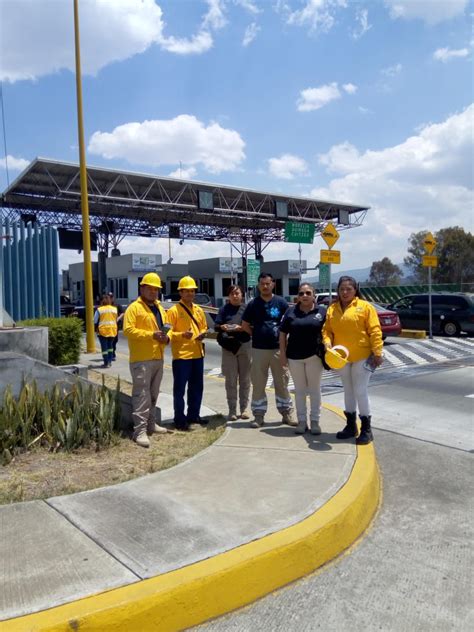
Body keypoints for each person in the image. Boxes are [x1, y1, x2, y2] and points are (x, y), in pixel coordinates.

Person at [322, 276, 383, 445]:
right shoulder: (332, 309)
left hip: (362, 357)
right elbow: (326, 330)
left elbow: (375, 331)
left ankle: (366, 429)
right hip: (341, 358)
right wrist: (327, 343)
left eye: (349, 289)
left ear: (355, 290)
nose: (345, 292)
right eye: (342, 289)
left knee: (360, 390)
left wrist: (378, 352)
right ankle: (350, 426)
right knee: (348, 390)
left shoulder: (365, 307)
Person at [241, 272, 296, 428]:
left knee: (282, 383)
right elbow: (245, 325)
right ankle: (258, 416)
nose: (265, 286)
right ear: (258, 285)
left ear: (273, 284)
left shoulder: (281, 303)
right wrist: (257, 335)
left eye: (268, 283)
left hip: (278, 349)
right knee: (258, 384)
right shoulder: (253, 304)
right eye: (262, 284)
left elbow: (288, 325)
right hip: (258, 350)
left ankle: (287, 414)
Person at [123, 272, 170, 448]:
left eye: (155, 289)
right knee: (141, 395)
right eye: (149, 288)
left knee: (153, 394)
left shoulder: (159, 307)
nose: (153, 292)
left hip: (158, 357)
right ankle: (140, 431)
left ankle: (151, 424)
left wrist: (167, 338)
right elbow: (128, 330)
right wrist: (151, 335)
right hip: (141, 359)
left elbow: (166, 329)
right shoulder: (134, 308)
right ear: (141, 288)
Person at [279, 283, 327, 435]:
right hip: (294, 357)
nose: (304, 296)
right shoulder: (291, 311)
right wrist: (282, 354)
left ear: (314, 295)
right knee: (299, 391)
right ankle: (301, 421)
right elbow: (282, 334)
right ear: (297, 297)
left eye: (308, 293)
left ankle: (315, 421)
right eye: (301, 293)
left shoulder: (322, 311)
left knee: (314, 390)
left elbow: (329, 332)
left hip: (315, 357)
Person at [166, 276, 209, 431]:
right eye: (187, 291)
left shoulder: (198, 310)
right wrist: (181, 335)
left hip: (198, 354)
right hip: (182, 356)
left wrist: (203, 333)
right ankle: (179, 419)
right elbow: (167, 332)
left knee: (197, 387)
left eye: (192, 291)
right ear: (181, 292)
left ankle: (194, 415)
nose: (190, 294)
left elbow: (204, 326)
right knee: (179, 390)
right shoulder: (173, 311)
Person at [214, 285, 252, 421]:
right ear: (228, 296)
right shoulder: (224, 309)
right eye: (232, 294)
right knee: (230, 380)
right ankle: (232, 410)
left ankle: (244, 408)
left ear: (242, 295)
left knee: (245, 379)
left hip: (245, 346)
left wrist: (241, 328)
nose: (235, 296)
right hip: (229, 348)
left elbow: (253, 326)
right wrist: (222, 327)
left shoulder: (247, 309)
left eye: (237, 293)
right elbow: (216, 326)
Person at [94, 295, 118, 368]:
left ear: (102, 301)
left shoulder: (99, 309)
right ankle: (110, 362)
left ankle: (106, 362)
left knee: (104, 348)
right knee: (110, 346)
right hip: (112, 329)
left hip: (103, 330)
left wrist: (96, 328)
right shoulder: (114, 309)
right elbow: (115, 318)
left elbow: (95, 320)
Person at [107, 292, 123, 361]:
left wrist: (118, 318)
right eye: (108, 297)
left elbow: (122, 313)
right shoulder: (106, 306)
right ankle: (112, 354)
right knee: (110, 339)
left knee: (115, 340)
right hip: (108, 325)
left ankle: (112, 351)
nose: (110, 299)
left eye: (111, 297)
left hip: (116, 325)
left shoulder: (117, 305)